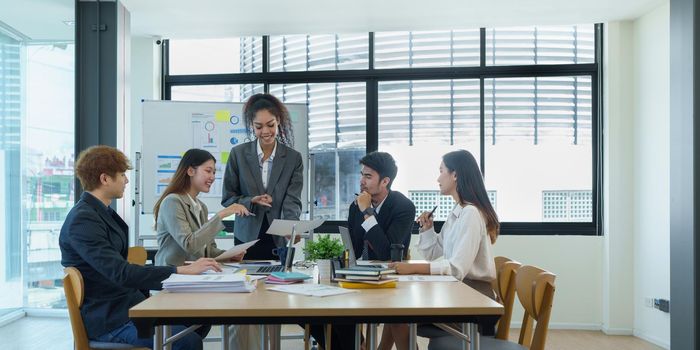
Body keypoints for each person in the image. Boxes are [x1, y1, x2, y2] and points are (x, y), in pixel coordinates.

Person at [59, 145, 221, 350]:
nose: (126, 181)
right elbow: (120, 272)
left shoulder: (102, 213)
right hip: (110, 319)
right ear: (105, 179)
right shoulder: (82, 220)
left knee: (199, 321)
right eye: (121, 175)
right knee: (187, 340)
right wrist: (179, 270)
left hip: (126, 305)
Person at [381, 149, 500, 350]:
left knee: (398, 316)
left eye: (441, 170)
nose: (438, 178)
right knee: (395, 312)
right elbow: (434, 253)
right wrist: (428, 230)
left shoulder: (470, 213)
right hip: (460, 292)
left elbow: (456, 268)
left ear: (455, 175)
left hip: (474, 300)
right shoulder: (459, 211)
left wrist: (414, 269)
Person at [311, 151, 416, 350]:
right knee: (328, 311)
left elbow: (386, 253)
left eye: (368, 177)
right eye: (362, 175)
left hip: (390, 277)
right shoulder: (356, 206)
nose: (361, 181)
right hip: (360, 276)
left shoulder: (403, 207)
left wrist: (367, 213)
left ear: (385, 181)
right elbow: (355, 249)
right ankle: (358, 345)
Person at [222, 93, 303, 259]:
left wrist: (291, 226)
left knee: (277, 283)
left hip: (277, 238)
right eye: (259, 127)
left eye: (270, 125)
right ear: (252, 125)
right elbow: (228, 198)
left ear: (278, 121)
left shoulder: (293, 158)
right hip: (245, 237)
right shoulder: (238, 154)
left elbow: (292, 200)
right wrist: (250, 201)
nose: (265, 131)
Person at [154, 148, 251, 267]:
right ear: (190, 171)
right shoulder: (172, 202)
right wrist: (220, 216)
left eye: (214, 172)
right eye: (208, 171)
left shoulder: (201, 207)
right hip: (173, 276)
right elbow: (189, 245)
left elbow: (208, 250)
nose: (212, 177)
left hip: (195, 275)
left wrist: (229, 255)